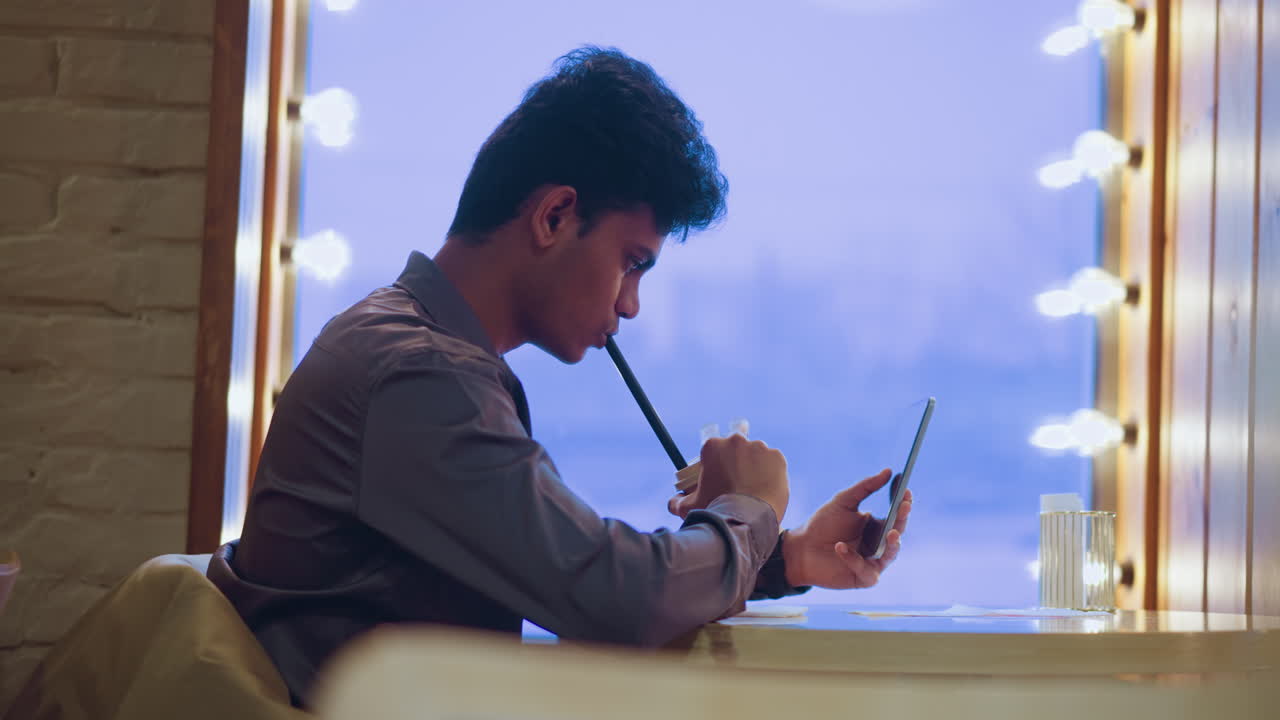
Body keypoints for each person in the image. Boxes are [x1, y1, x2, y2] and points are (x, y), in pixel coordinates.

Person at [208, 45, 913, 707]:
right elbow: (613, 598)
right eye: (632, 263)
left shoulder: (409, 347)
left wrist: (787, 557)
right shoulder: (419, 375)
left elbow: (577, 569)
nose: (630, 305)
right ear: (553, 217)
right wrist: (749, 510)